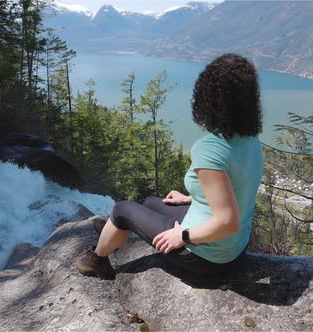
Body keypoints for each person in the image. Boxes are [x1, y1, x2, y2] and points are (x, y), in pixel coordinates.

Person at [75, 53, 264, 279]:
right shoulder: (250, 139)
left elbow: (227, 222)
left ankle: (98, 260)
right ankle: (116, 230)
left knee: (121, 209)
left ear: (209, 97)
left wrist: (182, 236)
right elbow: (238, 191)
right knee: (150, 203)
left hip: (207, 257)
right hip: (235, 248)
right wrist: (191, 198)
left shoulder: (210, 149)